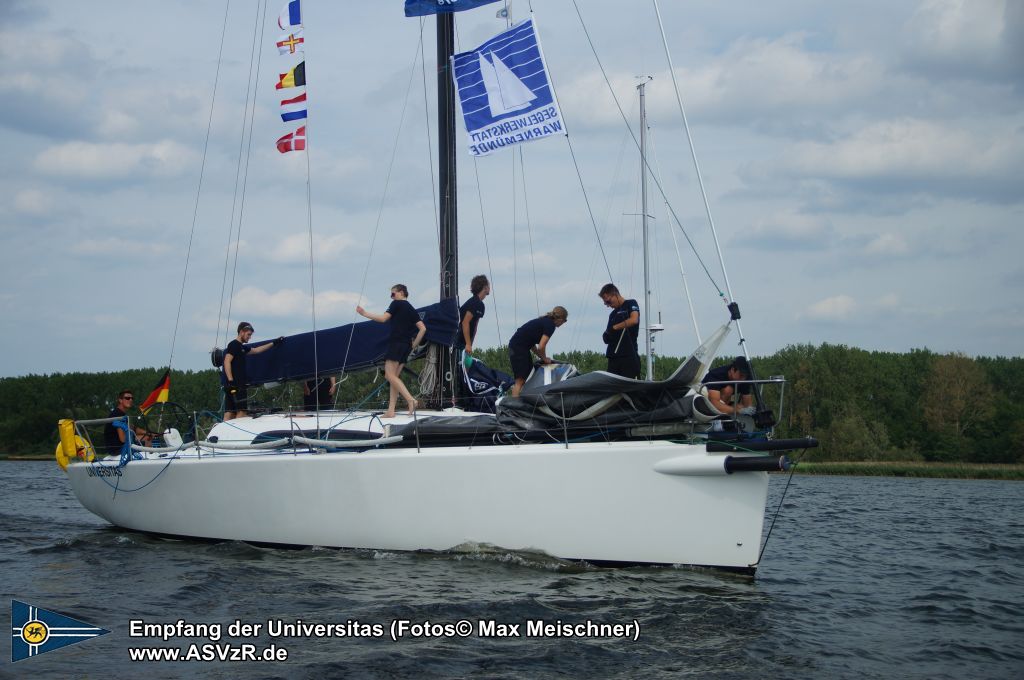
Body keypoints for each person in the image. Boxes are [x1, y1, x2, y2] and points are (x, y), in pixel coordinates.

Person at [356, 284, 427, 418]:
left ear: (401, 292)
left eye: (393, 294)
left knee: (389, 376)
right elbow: (422, 329)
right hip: (406, 346)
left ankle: (411, 400)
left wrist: (364, 313)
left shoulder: (396, 304)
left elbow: (383, 319)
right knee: (394, 378)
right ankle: (391, 410)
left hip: (396, 343)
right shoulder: (411, 309)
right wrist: (413, 345)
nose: (391, 297)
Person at [223, 321, 282, 420]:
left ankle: (222, 433)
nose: (249, 337)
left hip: (232, 385)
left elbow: (256, 350)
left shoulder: (241, 347)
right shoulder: (234, 345)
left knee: (230, 412)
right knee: (241, 413)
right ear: (241, 332)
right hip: (236, 384)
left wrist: (274, 343)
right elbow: (226, 361)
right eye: (248, 334)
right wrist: (231, 380)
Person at [507, 306, 568, 398]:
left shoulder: (545, 321)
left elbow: (531, 343)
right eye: (565, 320)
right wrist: (544, 359)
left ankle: (522, 400)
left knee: (528, 376)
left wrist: (540, 356)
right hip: (518, 348)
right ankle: (515, 406)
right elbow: (541, 346)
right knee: (520, 380)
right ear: (561, 319)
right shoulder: (550, 325)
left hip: (520, 346)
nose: (564, 323)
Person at [599, 283, 641, 379]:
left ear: (615, 294)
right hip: (613, 357)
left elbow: (634, 320)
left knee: (632, 390)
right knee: (612, 389)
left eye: (608, 301)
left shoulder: (631, 303)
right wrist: (606, 335)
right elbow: (609, 333)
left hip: (628, 356)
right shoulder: (612, 314)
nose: (608, 305)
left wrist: (615, 327)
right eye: (606, 303)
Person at [102, 389, 153, 457]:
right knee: (147, 438)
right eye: (127, 398)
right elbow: (123, 438)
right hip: (117, 448)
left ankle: (149, 456)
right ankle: (149, 458)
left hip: (116, 447)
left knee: (147, 436)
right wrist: (144, 436)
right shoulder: (118, 415)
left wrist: (148, 432)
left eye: (132, 398)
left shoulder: (121, 414)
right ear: (120, 400)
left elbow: (132, 428)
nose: (130, 400)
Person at [456, 274, 490, 355]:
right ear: (485, 287)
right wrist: (468, 344)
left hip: (465, 344)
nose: (489, 287)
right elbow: (465, 322)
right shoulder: (474, 302)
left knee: (467, 366)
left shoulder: (481, 305)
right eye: (489, 285)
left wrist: (470, 345)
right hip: (457, 342)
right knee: (458, 366)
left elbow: (475, 327)